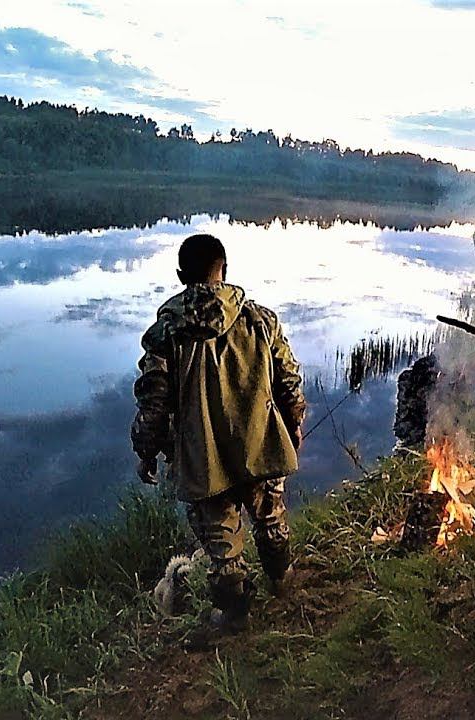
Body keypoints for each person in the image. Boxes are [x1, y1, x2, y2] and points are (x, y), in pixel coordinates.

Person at [131, 233, 306, 631]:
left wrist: (146, 450)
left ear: (180, 275)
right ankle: (282, 582)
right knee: (271, 518)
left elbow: (153, 403)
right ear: (224, 270)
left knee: (222, 542)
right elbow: (289, 382)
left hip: (203, 456)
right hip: (261, 444)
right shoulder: (261, 320)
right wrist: (294, 424)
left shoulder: (165, 333)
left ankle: (234, 614)